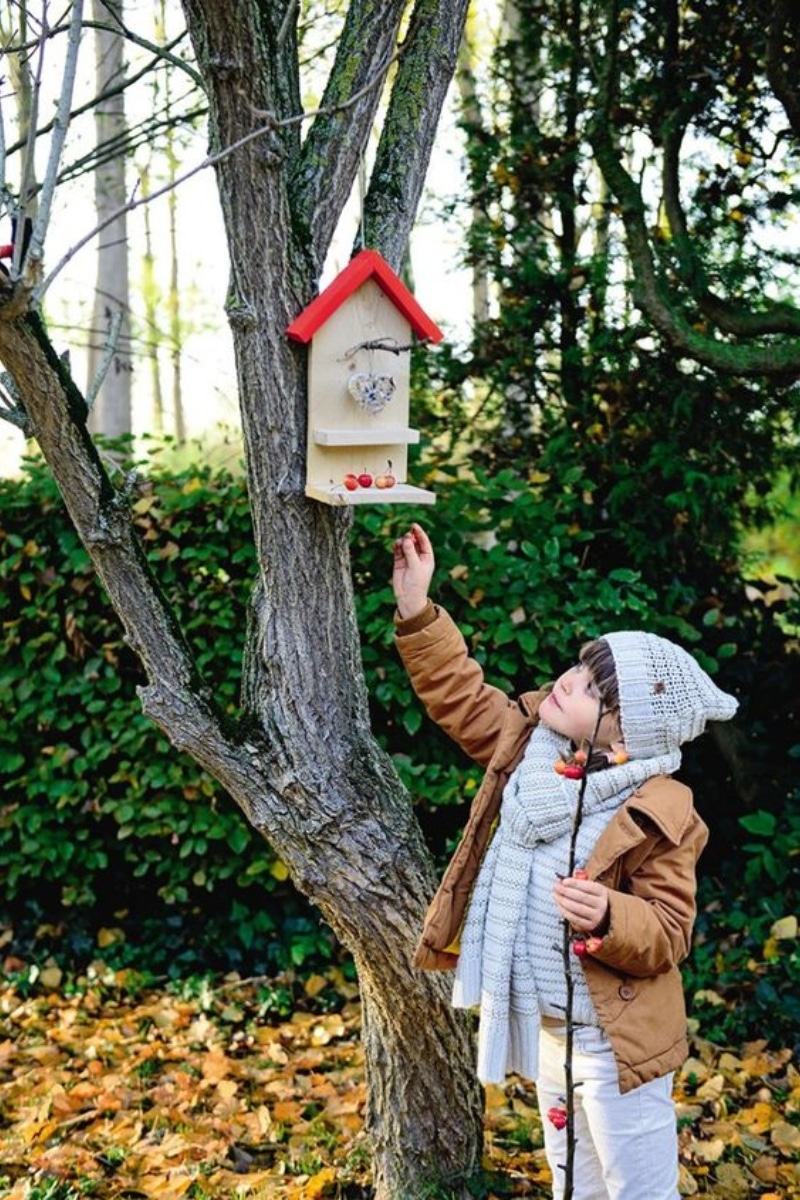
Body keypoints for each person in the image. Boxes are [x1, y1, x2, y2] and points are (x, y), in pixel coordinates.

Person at [391, 523, 738, 1200]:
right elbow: (460, 695)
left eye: (589, 688)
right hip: (552, 1030)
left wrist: (612, 912)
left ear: (627, 733)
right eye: (576, 670)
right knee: (572, 1181)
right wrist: (417, 609)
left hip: (617, 1041)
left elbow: (670, 930)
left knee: (633, 1187)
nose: (566, 683)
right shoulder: (527, 743)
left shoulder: (659, 808)